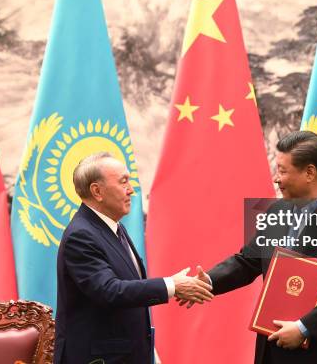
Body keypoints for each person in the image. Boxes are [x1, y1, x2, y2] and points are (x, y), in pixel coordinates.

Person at [188, 131, 317, 364]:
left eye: (283, 171)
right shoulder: (276, 212)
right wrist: (206, 283)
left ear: (309, 172)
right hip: (272, 348)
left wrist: (304, 328)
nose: (276, 178)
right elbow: (248, 261)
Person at [54, 152, 213, 364]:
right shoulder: (81, 235)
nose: (131, 190)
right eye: (123, 182)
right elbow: (109, 291)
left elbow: (128, 287)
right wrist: (171, 286)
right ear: (97, 191)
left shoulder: (112, 226)